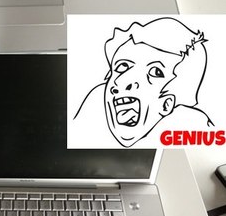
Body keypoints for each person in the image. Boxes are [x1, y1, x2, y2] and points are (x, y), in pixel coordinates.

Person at [73, 17, 213, 147]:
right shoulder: (94, 103)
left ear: (166, 104)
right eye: (122, 66)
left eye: (155, 72)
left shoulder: (192, 127)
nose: (121, 81)